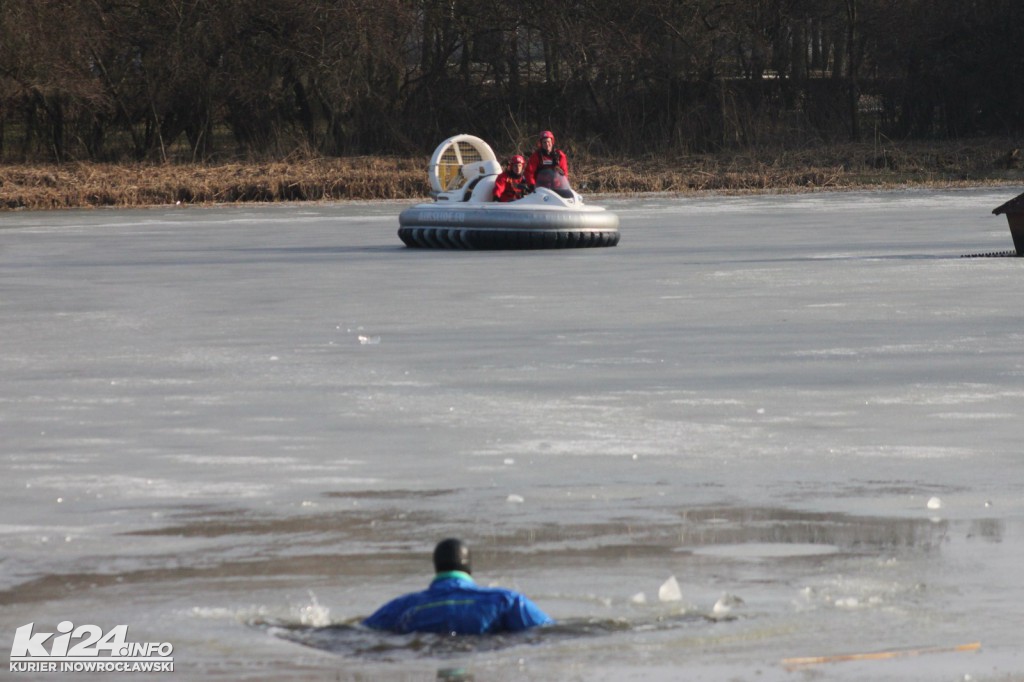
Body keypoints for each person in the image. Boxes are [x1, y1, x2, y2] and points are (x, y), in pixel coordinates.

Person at [362, 538, 554, 635]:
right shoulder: (506, 601)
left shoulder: (402, 606)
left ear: (436, 567)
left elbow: (363, 632)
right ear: (469, 566)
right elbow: (548, 632)